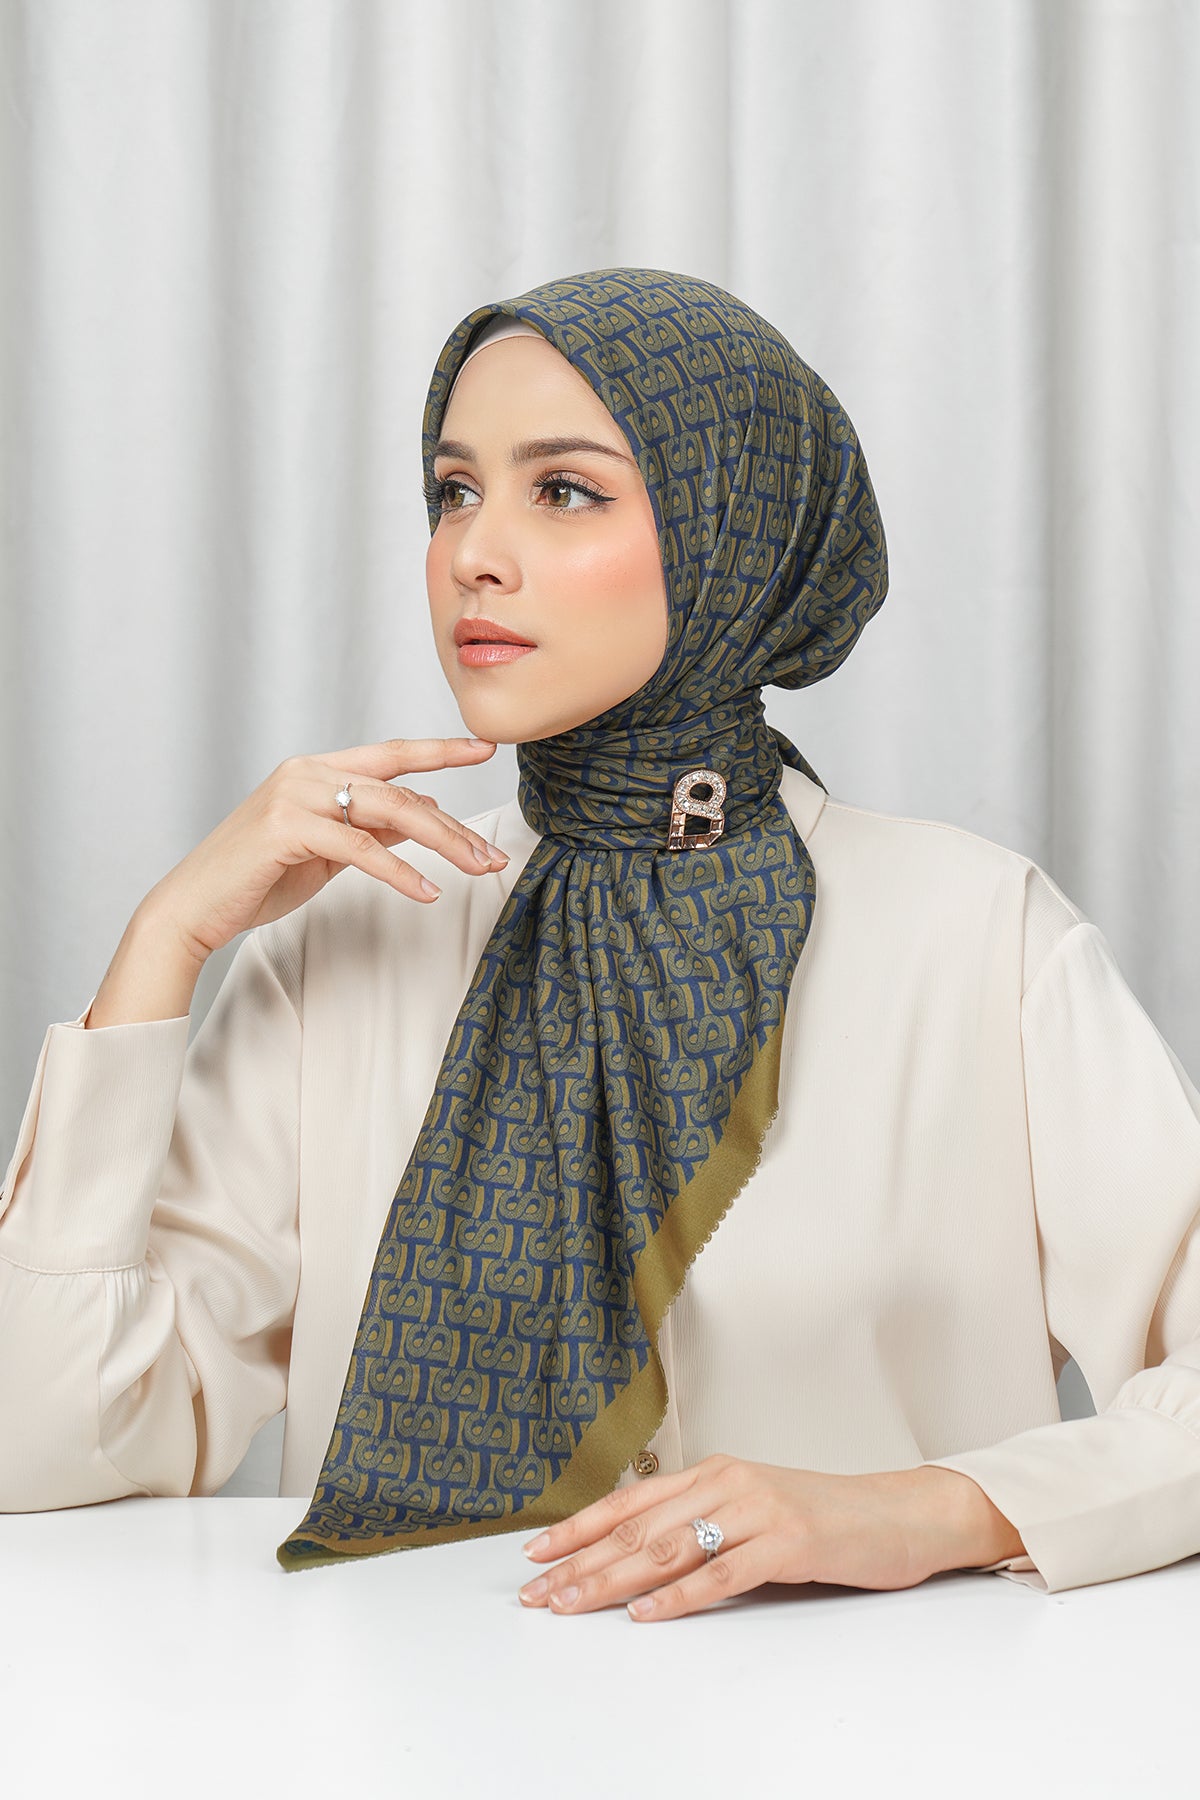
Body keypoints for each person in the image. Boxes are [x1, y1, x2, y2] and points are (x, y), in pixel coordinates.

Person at [2, 270, 1199, 1619]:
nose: (474, 552)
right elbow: (44, 1439)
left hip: (871, 1715)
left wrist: (923, 1510)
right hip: (413, 1711)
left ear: (731, 530)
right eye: (454, 490)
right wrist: (166, 938)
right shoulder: (346, 940)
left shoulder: (977, 938)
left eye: (564, 490)